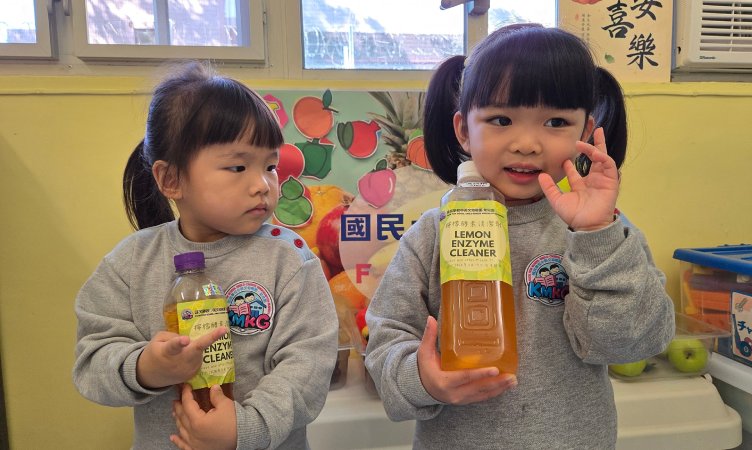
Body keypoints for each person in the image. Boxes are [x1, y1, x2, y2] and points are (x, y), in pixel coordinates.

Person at [364, 24, 675, 449]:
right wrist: (423, 378)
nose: (527, 143)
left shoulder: (604, 233)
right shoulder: (430, 236)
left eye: (556, 122)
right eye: (501, 120)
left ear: (585, 133)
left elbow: (632, 343)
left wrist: (594, 235)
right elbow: (385, 344)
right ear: (463, 130)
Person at [72, 61, 338, 450]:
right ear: (171, 179)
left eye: (270, 166)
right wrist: (147, 368)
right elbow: (91, 363)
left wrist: (245, 428)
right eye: (238, 166)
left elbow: (308, 366)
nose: (262, 184)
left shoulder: (290, 259)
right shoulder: (130, 263)